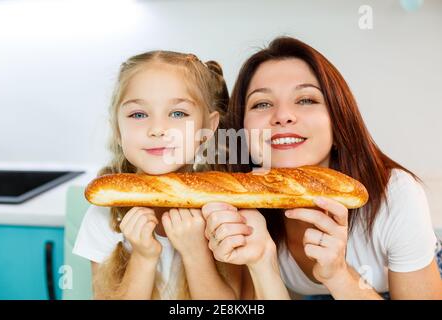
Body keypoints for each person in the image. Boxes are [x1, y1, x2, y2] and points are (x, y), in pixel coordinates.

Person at [202, 36, 442, 299]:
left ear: (338, 121)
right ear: (242, 131)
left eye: (306, 99)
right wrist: (263, 265)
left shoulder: (395, 194)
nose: (283, 115)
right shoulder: (238, 208)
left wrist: (339, 275)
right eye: (262, 104)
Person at [73, 51, 242, 299]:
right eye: (138, 115)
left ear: (208, 128)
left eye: (177, 113)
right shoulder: (104, 216)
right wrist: (143, 256)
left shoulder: (227, 212)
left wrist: (196, 252)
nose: (157, 129)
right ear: (118, 129)